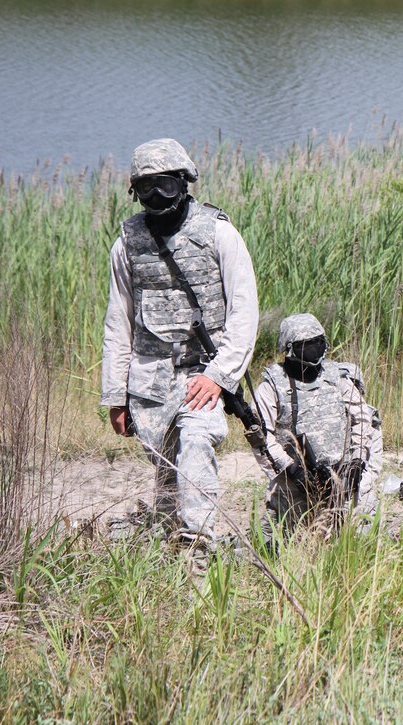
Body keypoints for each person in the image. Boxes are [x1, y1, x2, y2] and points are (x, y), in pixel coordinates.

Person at [101, 138, 259, 561]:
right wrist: (116, 396)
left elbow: (244, 312)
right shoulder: (126, 245)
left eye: (165, 186)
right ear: (135, 190)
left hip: (203, 372)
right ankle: (169, 537)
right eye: (146, 188)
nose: (156, 197)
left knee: (194, 441)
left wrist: (220, 376)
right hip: (150, 379)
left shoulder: (218, 233)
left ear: (184, 182)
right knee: (168, 462)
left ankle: (196, 545)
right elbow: (119, 324)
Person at [251, 313, 380, 543]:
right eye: (305, 345)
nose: (314, 349)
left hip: (341, 475)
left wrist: (356, 463)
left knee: (358, 537)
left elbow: (363, 420)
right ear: (289, 348)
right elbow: (263, 438)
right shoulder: (272, 386)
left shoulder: (337, 378)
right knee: (277, 542)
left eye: (318, 342)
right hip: (294, 481)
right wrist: (292, 470)